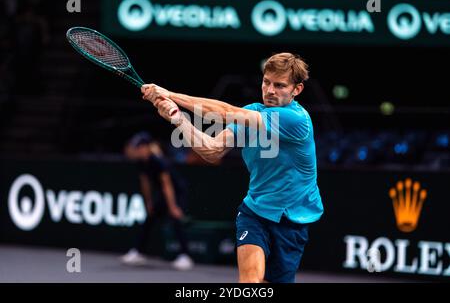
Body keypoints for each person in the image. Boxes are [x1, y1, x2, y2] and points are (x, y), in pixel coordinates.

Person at [141, 52, 324, 283]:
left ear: (297, 89)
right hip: (255, 212)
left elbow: (225, 112)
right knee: (249, 283)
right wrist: (179, 120)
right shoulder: (254, 111)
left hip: (292, 220)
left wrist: (170, 95)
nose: (269, 90)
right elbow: (212, 149)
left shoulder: (295, 119)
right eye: (266, 82)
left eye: (279, 85)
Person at [120, 131, 194, 271]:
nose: (139, 150)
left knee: (176, 220)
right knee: (149, 219)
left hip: (176, 191)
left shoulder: (159, 161)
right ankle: (137, 252)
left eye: (141, 147)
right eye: (137, 147)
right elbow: (145, 183)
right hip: (162, 192)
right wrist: (148, 202)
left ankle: (186, 256)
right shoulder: (141, 162)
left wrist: (173, 206)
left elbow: (167, 185)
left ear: (148, 147)